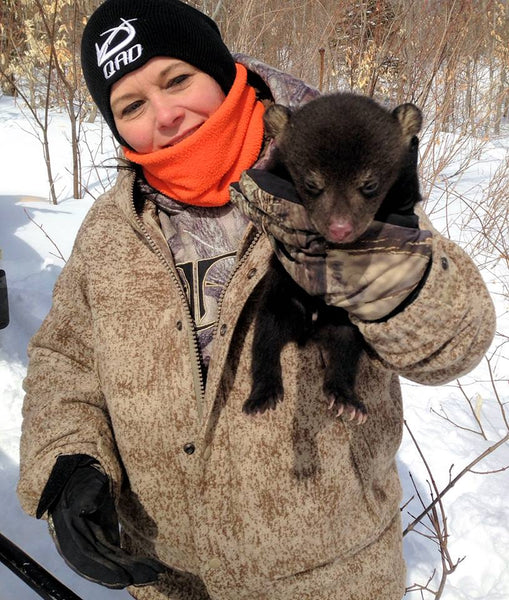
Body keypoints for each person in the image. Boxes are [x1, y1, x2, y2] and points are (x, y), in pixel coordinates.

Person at [17, 1, 496, 599]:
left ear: (220, 72)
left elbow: (455, 343)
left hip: (325, 581)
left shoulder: (335, 169)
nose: (165, 116)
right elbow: (67, 357)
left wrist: (383, 273)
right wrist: (67, 460)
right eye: (132, 105)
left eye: (177, 79)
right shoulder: (113, 227)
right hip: (167, 578)